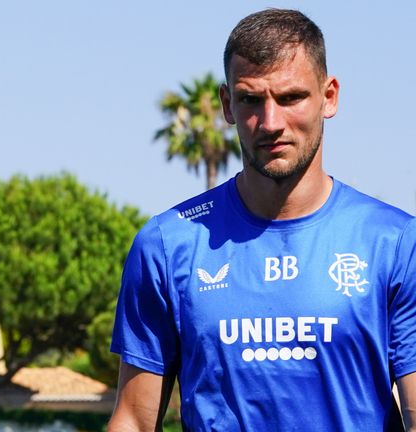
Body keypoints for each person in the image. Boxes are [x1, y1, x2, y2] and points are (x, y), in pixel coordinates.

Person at [108, 8, 416, 431]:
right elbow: (134, 421)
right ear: (226, 104)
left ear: (329, 97)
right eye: (251, 100)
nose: (270, 123)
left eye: (291, 98)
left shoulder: (395, 242)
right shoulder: (168, 244)